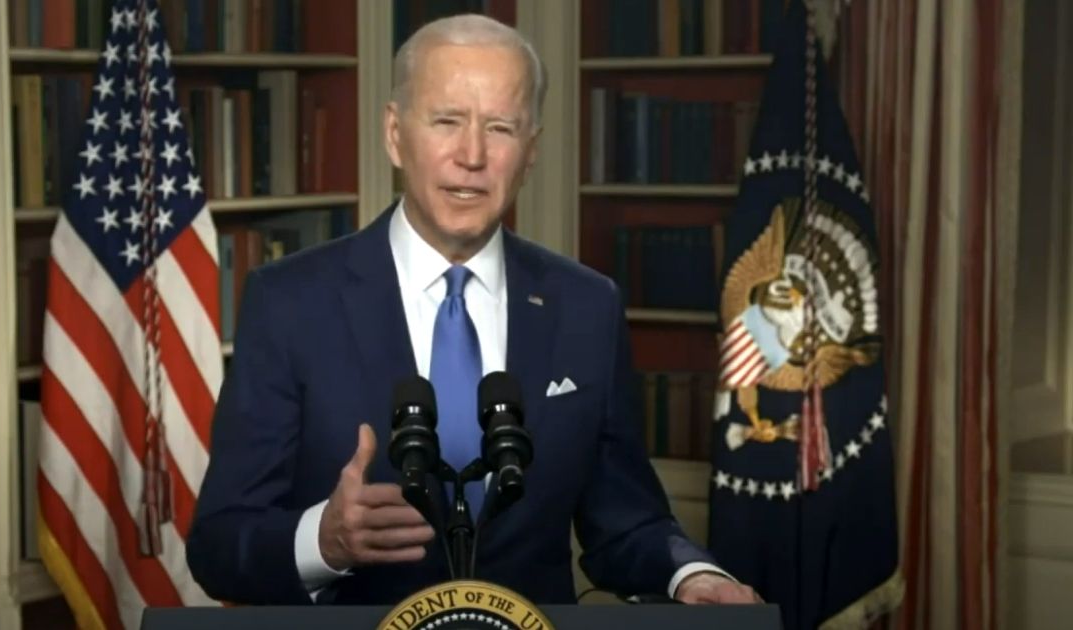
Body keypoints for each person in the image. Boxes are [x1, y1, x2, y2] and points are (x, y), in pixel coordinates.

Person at [186, 13, 760, 607]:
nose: (472, 155)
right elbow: (219, 546)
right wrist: (323, 542)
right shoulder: (289, 304)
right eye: (447, 121)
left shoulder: (587, 306)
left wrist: (691, 576)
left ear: (531, 150)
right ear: (394, 134)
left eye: (501, 128)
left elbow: (627, 519)